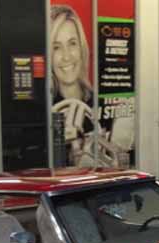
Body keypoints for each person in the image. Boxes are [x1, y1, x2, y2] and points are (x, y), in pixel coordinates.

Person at [51, 4, 94, 165]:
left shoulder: (100, 102)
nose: (66, 56)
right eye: (56, 47)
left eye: (72, 43)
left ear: (82, 48)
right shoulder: (45, 110)